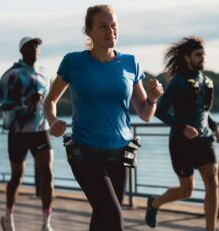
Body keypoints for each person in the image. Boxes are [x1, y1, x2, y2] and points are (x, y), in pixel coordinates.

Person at [43, 4, 163, 231]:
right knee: (114, 217)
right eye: (103, 26)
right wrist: (53, 121)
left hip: (120, 154)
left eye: (114, 26)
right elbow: (50, 101)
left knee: (102, 219)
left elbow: (145, 114)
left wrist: (154, 98)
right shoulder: (73, 62)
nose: (111, 31)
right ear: (89, 31)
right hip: (85, 153)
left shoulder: (130, 62)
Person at [146, 36, 219, 231]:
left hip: (204, 140)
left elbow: (204, 111)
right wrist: (182, 127)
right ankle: (155, 203)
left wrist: (215, 127)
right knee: (186, 190)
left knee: (213, 183)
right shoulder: (179, 82)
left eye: (203, 54)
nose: (202, 58)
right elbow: (161, 111)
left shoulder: (207, 82)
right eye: (198, 55)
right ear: (188, 57)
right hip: (181, 142)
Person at [0, 37, 53, 231]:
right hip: (18, 131)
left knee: (48, 175)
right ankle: (8, 217)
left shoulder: (45, 74)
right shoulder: (12, 74)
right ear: (22, 50)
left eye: (37, 45)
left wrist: (52, 119)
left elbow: (48, 101)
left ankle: (46, 223)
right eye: (30, 45)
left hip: (41, 130)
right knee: (17, 177)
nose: (35, 48)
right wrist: (24, 102)